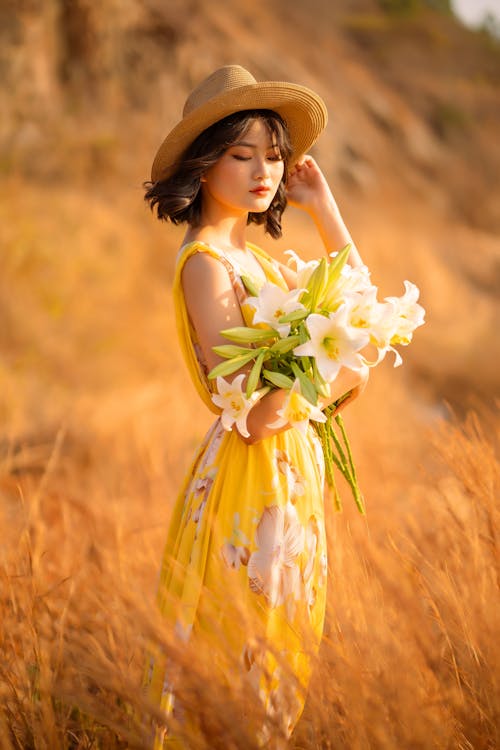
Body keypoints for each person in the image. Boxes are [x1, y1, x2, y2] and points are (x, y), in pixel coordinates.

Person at [143, 65, 368, 749]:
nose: (263, 171)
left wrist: (325, 209)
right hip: (250, 477)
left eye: (273, 155)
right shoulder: (207, 263)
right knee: (237, 659)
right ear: (203, 164)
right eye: (241, 155)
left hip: (288, 473)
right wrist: (326, 363)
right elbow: (253, 410)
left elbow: (359, 315)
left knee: (277, 662)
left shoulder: (262, 265)